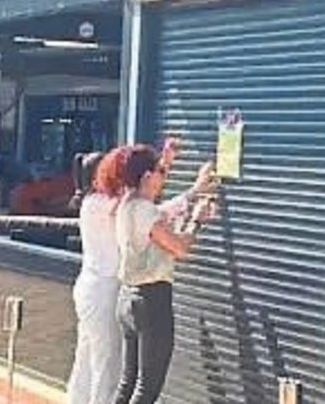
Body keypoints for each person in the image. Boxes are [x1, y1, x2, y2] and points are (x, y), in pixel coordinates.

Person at [64, 142, 214, 404]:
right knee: (109, 368)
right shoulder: (104, 204)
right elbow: (159, 216)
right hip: (115, 294)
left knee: (99, 364)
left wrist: (163, 164)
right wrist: (195, 212)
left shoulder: (119, 204)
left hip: (116, 294)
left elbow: (150, 200)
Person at [112, 144, 218, 404]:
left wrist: (195, 190)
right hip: (151, 302)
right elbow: (179, 247)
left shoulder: (128, 204)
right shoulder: (145, 210)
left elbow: (166, 209)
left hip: (127, 299)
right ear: (147, 176)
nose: (164, 177)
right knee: (147, 389)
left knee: (128, 383)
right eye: (161, 171)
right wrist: (196, 221)